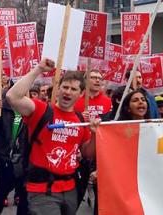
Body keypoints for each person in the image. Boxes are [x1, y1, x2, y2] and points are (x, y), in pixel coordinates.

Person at [6, 58, 100, 215]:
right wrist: (38, 70)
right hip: (41, 190)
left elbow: (87, 153)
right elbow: (12, 97)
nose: (67, 92)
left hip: (70, 189)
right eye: (65, 87)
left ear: (81, 94)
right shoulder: (41, 110)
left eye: (73, 89)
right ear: (59, 87)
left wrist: (95, 134)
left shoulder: (80, 119)